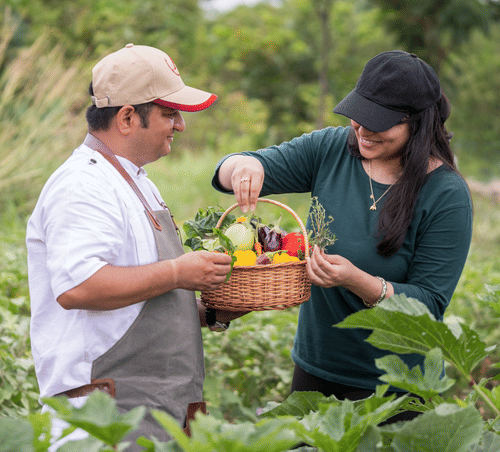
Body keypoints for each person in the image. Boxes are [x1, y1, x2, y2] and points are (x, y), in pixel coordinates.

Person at [212, 50, 473, 422]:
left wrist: (357, 281)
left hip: (395, 386)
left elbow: (428, 305)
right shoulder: (331, 150)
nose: (362, 130)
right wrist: (245, 166)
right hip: (316, 367)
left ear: (417, 123)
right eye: (358, 116)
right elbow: (229, 169)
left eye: (377, 123)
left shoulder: (445, 195)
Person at [26, 43, 242, 450]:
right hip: (105, 416)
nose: (179, 125)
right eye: (169, 113)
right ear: (127, 117)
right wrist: (180, 272)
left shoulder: (136, 180)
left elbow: (142, 300)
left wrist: (213, 311)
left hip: (153, 409)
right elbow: (79, 288)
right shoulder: (83, 186)